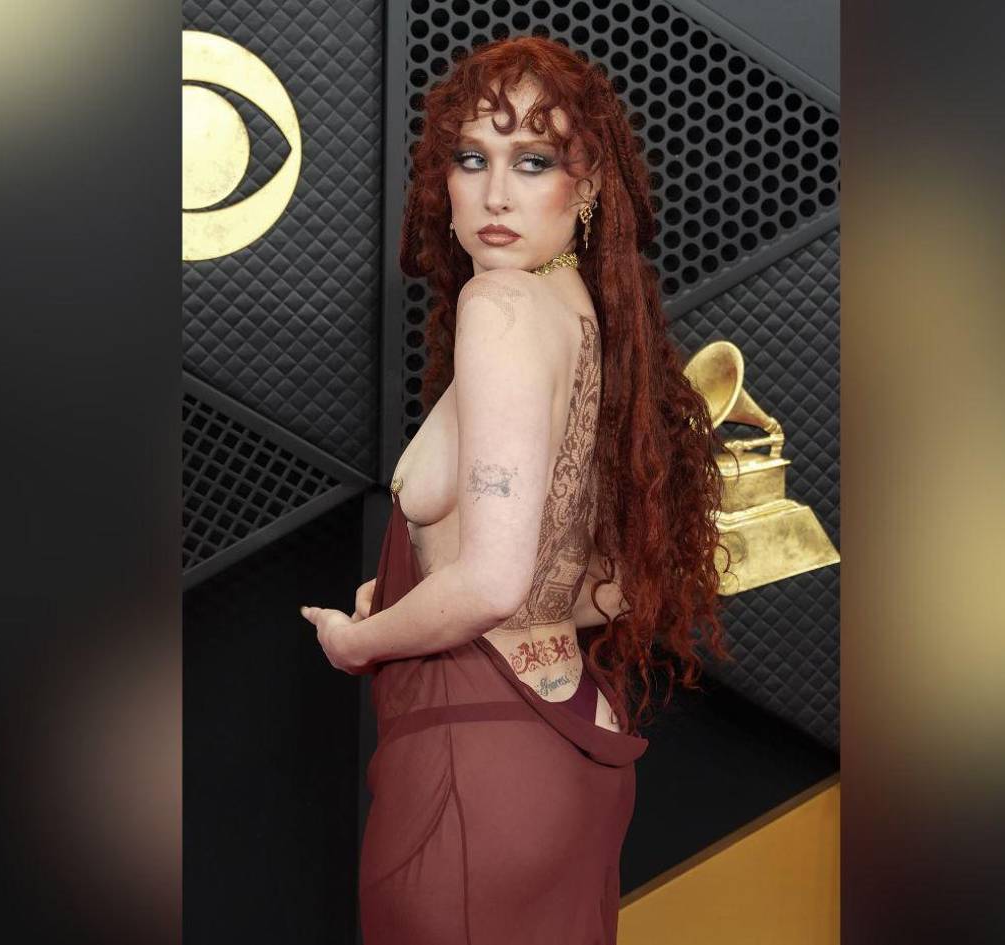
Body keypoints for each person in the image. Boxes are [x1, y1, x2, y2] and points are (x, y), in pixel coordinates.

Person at [300, 35, 731, 945]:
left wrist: (358, 640)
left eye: (533, 161)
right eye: (472, 158)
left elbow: (494, 583)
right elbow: (606, 584)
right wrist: (415, 594)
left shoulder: (497, 306)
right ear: (445, 181)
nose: (496, 194)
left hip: (478, 766)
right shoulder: (585, 317)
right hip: (568, 739)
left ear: (590, 186)